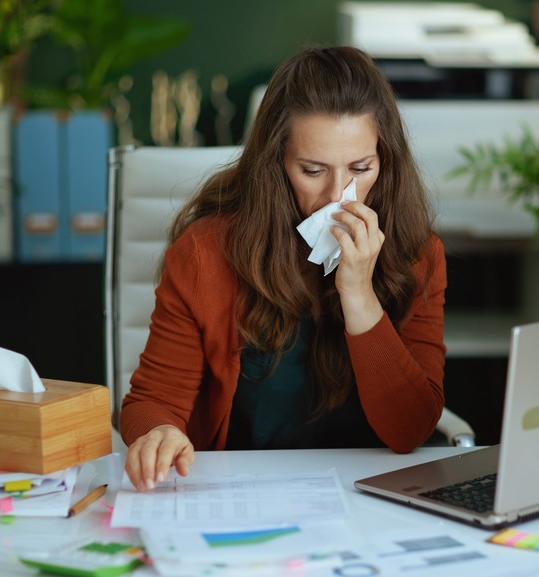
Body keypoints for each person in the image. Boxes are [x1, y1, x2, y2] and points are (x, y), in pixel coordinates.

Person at [120, 46, 447, 491]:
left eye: (360, 168)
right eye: (313, 170)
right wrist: (158, 432)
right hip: (241, 489)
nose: (338, 195)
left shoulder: (418, 253)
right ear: (277, 164)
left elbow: (412, 430)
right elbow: (152, 402)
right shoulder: (205, 253)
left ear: (384, 162)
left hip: (370, 496)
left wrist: (360, 297)